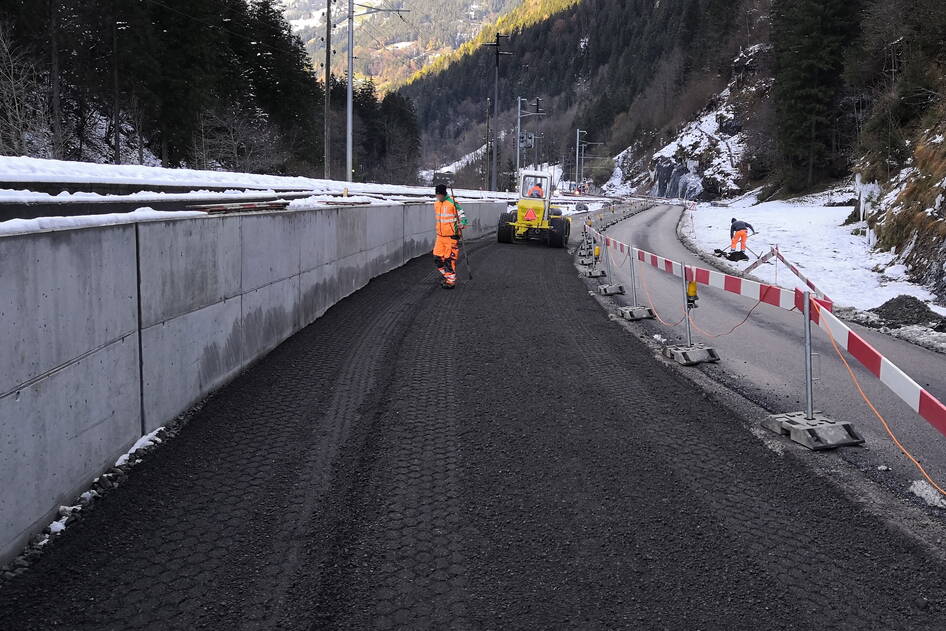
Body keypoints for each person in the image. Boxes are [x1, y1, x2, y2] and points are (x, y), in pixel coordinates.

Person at [433, 184, 468, 289]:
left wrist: (462, 223)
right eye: (437, 195)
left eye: (439, 195)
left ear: (443, 194)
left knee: (449, 259)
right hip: (440, 236)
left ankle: (450, 281)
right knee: (437, 258)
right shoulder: (436, 204)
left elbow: (462, 215)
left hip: (451, 237)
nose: (438, 197)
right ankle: (447, 276)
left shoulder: (453, 203)